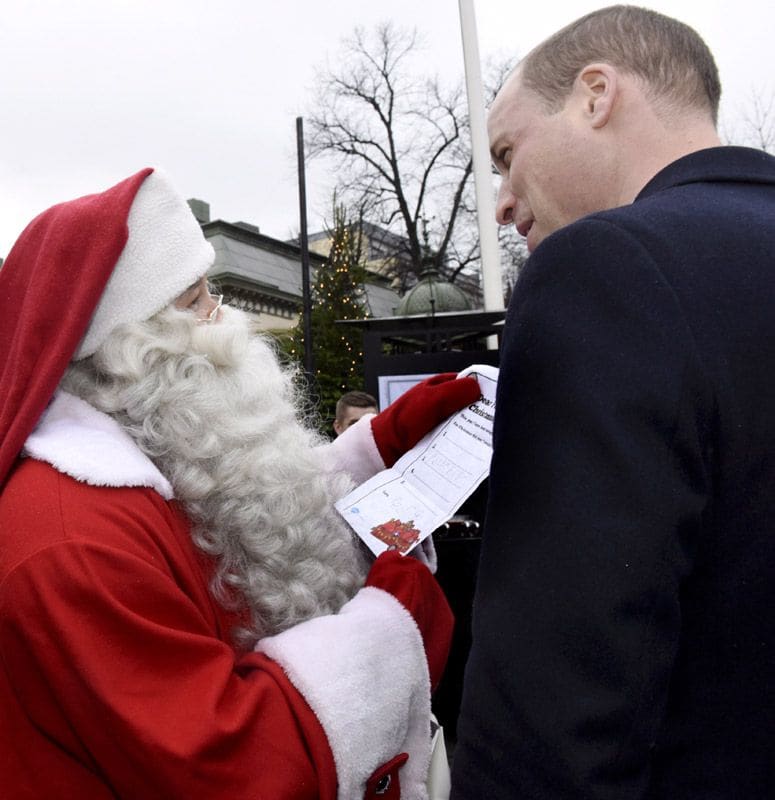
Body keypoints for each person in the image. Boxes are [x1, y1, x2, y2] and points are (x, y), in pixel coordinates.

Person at [0, 167, 482, 799]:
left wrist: (376, 449)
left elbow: (243, 515)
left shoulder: (138, 444)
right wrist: (390, 624)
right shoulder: (70, 541)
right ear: (128, 341)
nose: (223, 318)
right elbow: (233, 764)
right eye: (196, 298)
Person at [451, 6, 775, 799]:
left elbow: (558, 691)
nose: (499, 200)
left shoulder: (603, 270)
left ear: (595, 94)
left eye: (505, 153)